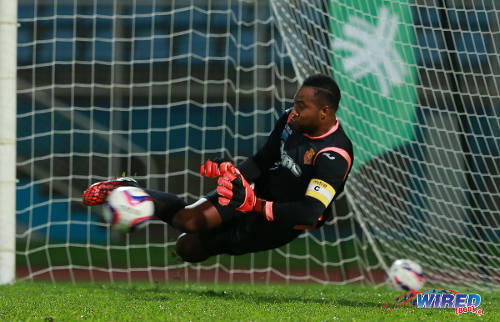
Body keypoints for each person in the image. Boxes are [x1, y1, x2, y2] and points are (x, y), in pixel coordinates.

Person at [83, 74, 353, 263]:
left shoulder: (334, 155)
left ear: (324, 112)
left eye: (301, 107)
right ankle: (133, 191)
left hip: (279, 222)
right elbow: (262, 160)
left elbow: (310, 212)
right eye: (294, 103)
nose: (293, 111)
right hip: (251, 193)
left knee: (188, 248)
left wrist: (255, 205)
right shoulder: (288, 121)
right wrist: (235, 175)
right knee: (188, 220)